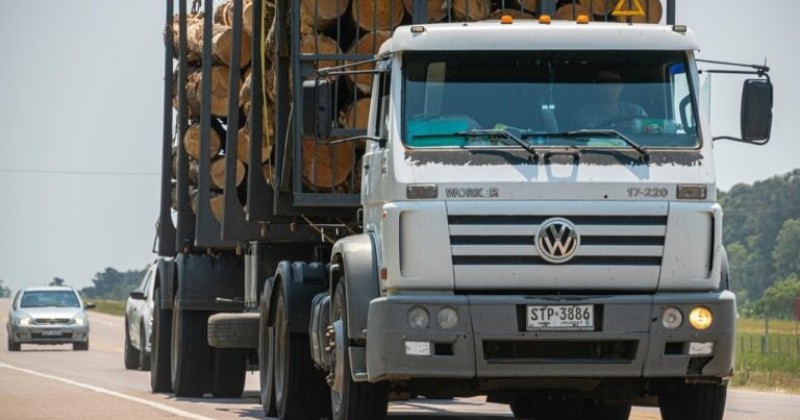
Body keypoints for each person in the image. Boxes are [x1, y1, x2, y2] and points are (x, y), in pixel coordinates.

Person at [574, 70, 647, 129]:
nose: (609, 87)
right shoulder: (585, 113)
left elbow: (647, 135)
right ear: (596, 87)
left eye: (614, 82)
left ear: (622, 86)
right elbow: (586, 140)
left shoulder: (637, 112)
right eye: (603, 82)